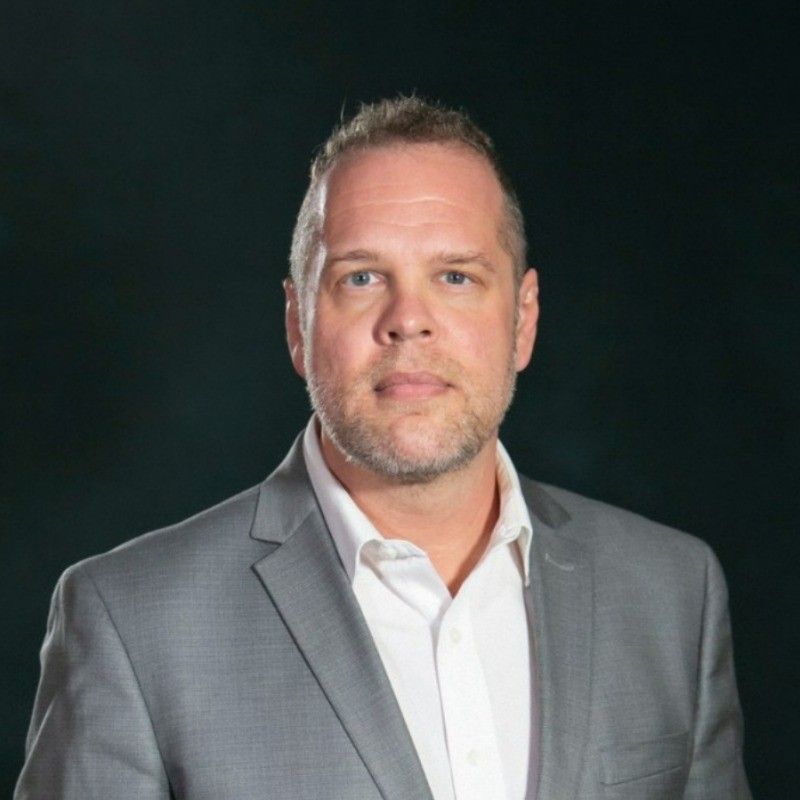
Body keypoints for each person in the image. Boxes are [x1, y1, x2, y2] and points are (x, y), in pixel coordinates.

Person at [15, 96, 751, 800]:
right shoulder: (132, 625)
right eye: (362, 277)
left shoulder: (672, 595)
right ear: (298, 322)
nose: (408, 321)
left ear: (523, 320)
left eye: (456, 277)